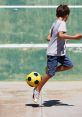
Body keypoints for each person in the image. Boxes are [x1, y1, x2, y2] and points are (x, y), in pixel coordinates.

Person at [33, 4, 82, 103]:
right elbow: (60, 35)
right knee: (50, 74)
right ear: (66, 15)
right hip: (54, 53)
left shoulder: (55, 23)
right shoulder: (62, 23)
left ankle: (50, 70)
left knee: (69, 65)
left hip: (59, 53)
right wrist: (75, 37)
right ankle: (37, 89)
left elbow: (49, 37)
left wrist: (59, 40)